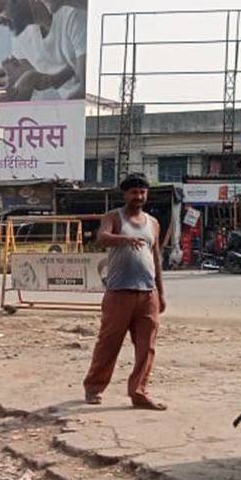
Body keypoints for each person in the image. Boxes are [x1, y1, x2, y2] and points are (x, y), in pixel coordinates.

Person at [83, 173, 167, 410]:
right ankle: (94, 387)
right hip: (119, 292)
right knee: (109, 343)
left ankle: (139, 391)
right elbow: (102, 237)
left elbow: (156, 258)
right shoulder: (114, 217)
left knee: (146, 346)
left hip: (147, 293)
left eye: (142, 192)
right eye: (133, 192)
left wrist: (161, 292)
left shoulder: (153, 223)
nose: (138, 197)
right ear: (125, 194)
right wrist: (124, 239)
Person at [31, 0, 88, 99]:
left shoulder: (80, 18)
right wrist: (55, 79)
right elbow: (78, 64)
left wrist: (59, 109)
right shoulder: (79, 14)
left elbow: (85, 87)